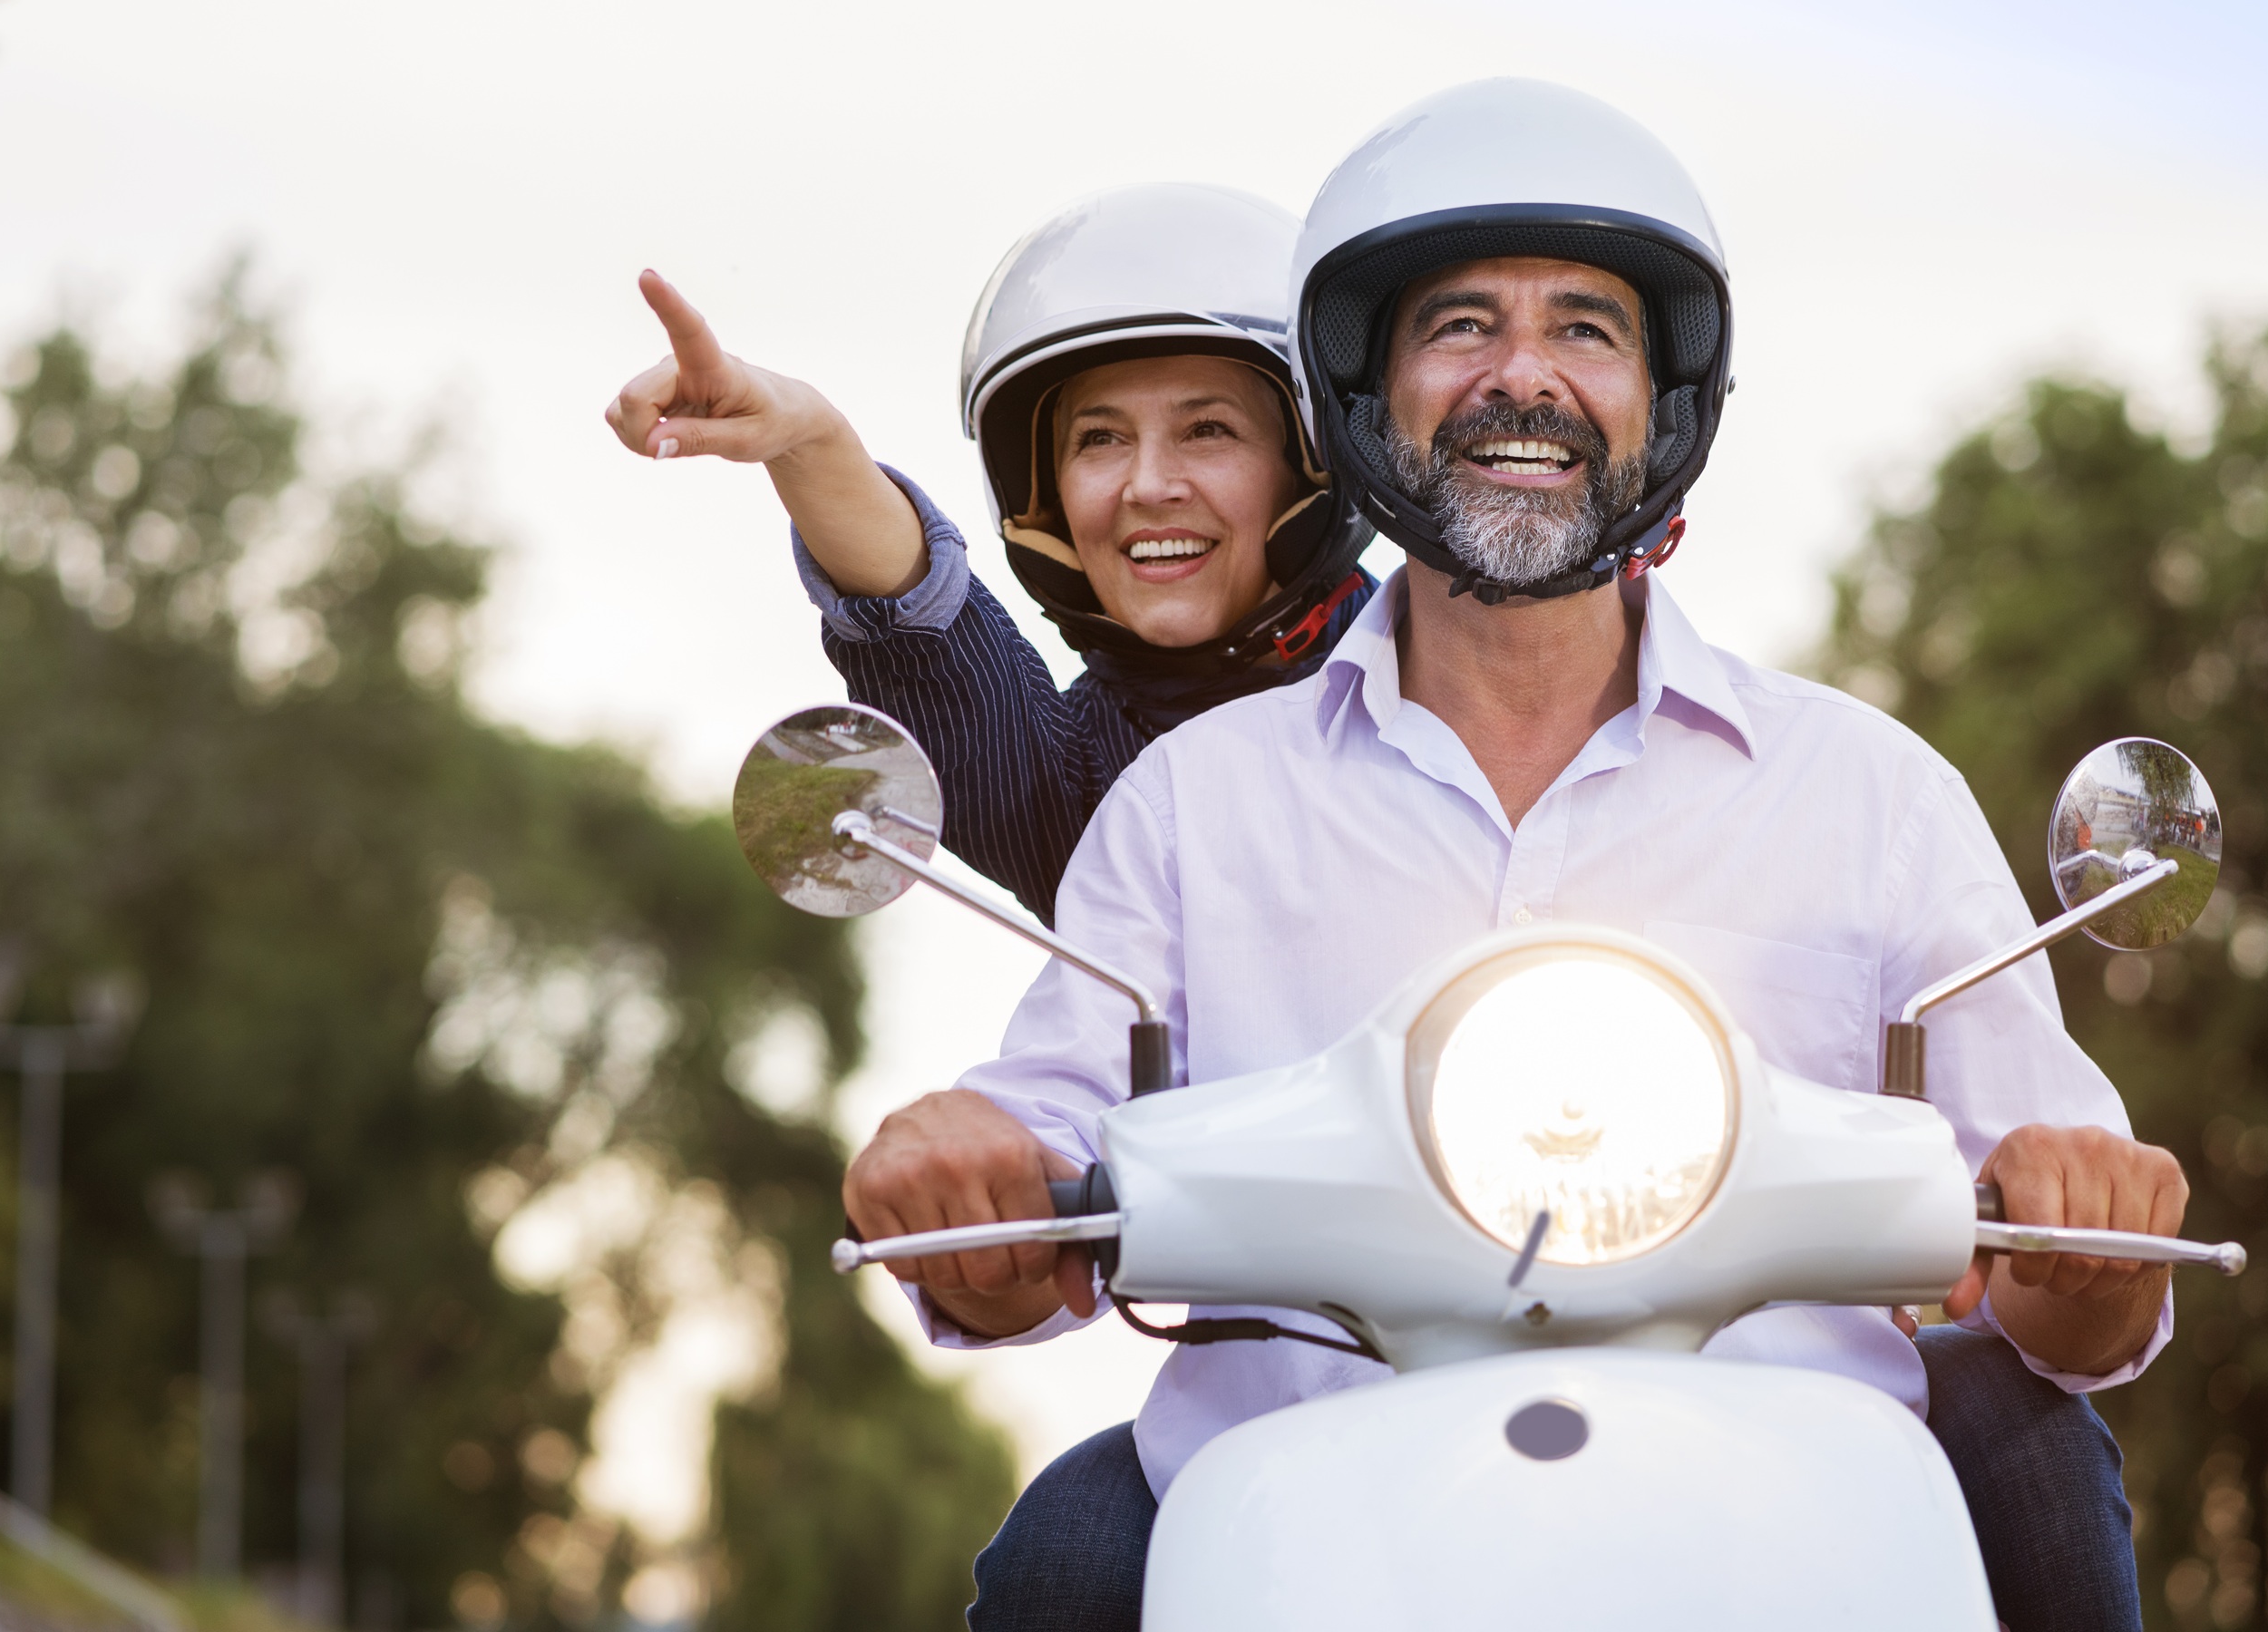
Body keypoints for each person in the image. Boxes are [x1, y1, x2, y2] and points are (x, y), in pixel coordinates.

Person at [842, 82, 2168, 1632]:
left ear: (1663, 403)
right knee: (1058, 1569)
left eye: (1588, 330)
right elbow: (1042, 1160)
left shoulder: (1869, 793)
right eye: (1460, 327)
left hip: (1804, 1532)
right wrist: (972, 1174)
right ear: (1364, 395)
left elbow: (2077, 1273)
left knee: (2042, 1459)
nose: (1521, 375)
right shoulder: (1191, 804)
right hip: (1297, 1535)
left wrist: (2091, 1225)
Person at [606, 185, 1373, 924]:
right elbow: (934, 651)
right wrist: (811, 443)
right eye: (1099, 439)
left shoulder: (1449, 669)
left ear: (1311, 465)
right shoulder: (1072, 784)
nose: (1148, 484)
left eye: (1208, 429)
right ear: (1045, 499)